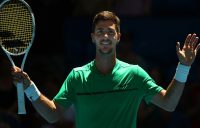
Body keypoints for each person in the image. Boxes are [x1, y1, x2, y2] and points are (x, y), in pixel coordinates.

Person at [11, 11, 200, 128]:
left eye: (111, 32)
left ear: (118, 37)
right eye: (100, 32)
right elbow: (52, 115)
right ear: (93, 38)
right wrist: (29, 87)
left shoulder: (135, 74)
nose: (105, 36)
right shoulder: (77, 76)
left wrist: (183, 67)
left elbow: (169, 104)